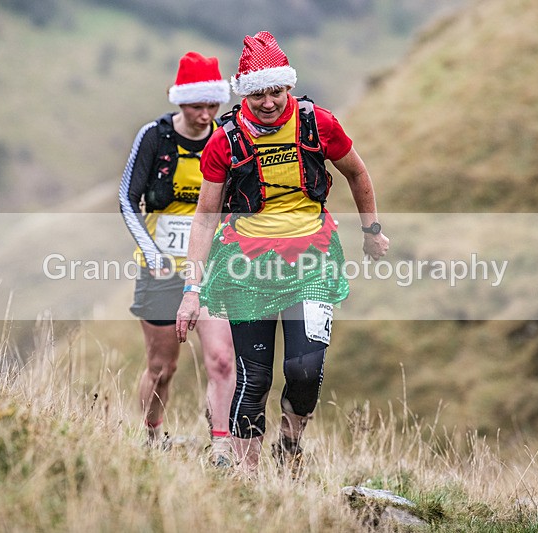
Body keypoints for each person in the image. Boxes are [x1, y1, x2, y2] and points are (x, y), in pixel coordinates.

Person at [175, 32, 389, 474]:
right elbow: (204, 216)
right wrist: (191, 290)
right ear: (244, 93)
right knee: (254, 380)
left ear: (288, 87)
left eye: (276, 91)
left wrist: (372, 231)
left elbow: (357, 172)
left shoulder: (318, 124)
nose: (269, 102)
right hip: (246, 271)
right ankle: (247, 482)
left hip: (312, 263)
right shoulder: (225, 141)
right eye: (257, 94)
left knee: (305, 370)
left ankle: (290, 442)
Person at [119, 51, 236, 466]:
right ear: (180, 102)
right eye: (196, 106)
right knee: (162, 367)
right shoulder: (155, 137)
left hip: (212, 268)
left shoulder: (226, 136)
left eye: (212, 105)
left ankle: (221, 446)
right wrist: (151, 255)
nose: (205, 115)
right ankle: (152, 437)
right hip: (161, 268)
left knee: (222, 359)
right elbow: (127, 199)